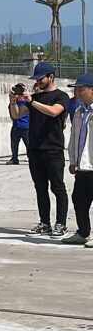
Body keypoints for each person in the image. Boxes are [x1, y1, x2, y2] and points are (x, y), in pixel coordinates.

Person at [9, 62, 69, 237]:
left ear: (50, 77)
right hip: (35, 150)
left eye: (40, 78)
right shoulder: (34, 98)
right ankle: (45, 222)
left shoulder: (61, 96)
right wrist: (13, 101)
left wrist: (32, 101)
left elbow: (53, 112)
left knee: (58, 187)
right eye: (36, 79)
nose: (38, 82)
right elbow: (16, 115)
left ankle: (61, 223)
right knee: (40, 188)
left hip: (53, 149)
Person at [64, 73, 93, 247]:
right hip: (83, 166)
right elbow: (74, 137)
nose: (78, 92)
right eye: (76, 89)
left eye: (81, 89)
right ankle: (83, 232)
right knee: (79, 199)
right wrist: (73, 161)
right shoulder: (79, 111)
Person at [7, 83, 30, 165]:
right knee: (14, 145)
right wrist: (12, 99)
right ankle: (14, 158)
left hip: (26, 127)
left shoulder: (28, 102)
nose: (19, 92)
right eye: (17, 90)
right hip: (16, 126)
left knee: (29, 145)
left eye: (21, 90)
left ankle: (31, 158)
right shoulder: (13, 103)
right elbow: (12, 115)